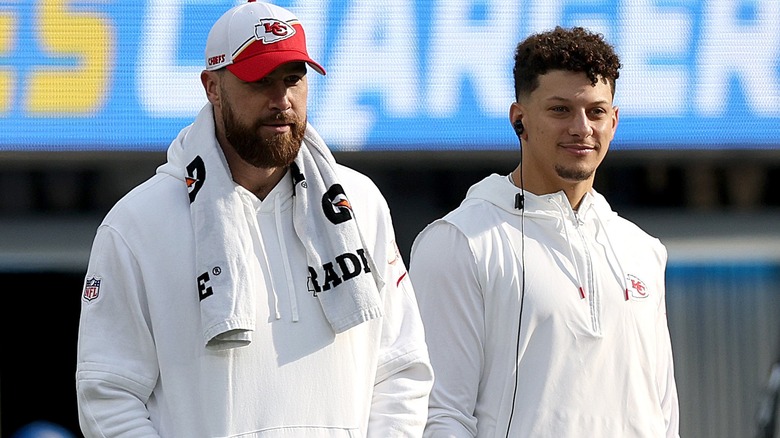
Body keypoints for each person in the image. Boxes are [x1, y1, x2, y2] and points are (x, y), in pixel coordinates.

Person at [75, 2, 433, 436]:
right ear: (212, 87)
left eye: (293, 79)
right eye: (259, 81)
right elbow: (108, 395)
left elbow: (401, 370)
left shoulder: (360, 203)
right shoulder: (136, 224)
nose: (280, 100)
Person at [408, 26, 680, 437]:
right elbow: (440, 414)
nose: (581, 128)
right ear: (520, 119)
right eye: (560, 110)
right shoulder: (458, 241)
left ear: (615, 121)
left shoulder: (642, 249)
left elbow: (664, 417)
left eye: (596, 111)